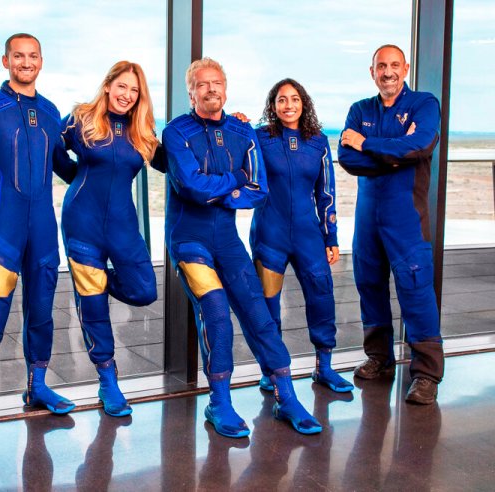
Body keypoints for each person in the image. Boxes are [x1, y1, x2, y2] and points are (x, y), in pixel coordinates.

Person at [163, 58, 321, 437]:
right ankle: (219, 402)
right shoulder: (176, 132)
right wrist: (234, 179)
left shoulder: (242, 131)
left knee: (259, 314)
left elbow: (258, 188)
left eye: (217, 82)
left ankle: (286, 397)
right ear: (191, 93)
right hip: (189, 241)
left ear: (226, 88)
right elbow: (191, 186)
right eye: (203, 84)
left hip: (227, 240)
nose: (211, 89)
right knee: (217, 313)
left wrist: (220, 190)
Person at [0, 33, 76, 439]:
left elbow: (65, 165)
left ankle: (37, 386)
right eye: (18, 56)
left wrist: (106, 163)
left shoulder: (51, 111)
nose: (26, 62)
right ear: (5, 60)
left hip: (42, 234)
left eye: (33, 56)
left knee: (41, 313)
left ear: (41, 60)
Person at [338, 44, 443, 404]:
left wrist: (367, 143)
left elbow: (420, 146)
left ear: (406, 68)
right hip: (368, 219)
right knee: (369, 284)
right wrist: (396, 152)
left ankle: (426, 374)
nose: (388, 72)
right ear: (372, 72)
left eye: (394, 65)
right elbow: (347, 159)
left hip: (407, 219)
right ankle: (379, 359)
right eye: (381, 66)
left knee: (415, 289)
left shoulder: (424, 104)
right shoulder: (360, 109)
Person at [60, 61, 164, 417]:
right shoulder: (81, 118)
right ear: (107, 86)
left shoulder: (142, 129)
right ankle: (108, 380)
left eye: (134, 90)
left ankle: (94, 284)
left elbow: (171, 161)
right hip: (82, 220)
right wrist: (78, 179)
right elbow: (55, 153)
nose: (127, 95)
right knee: (93, 305)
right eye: (122, 86)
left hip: (123, 225)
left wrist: (232, 126)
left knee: (144, 289)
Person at [250, 79, 354, 393]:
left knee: (322, 297)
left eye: (294, 99)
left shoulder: (318, 142)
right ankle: (272, 369)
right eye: (282, 99)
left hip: (309, 236)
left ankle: (324, 367)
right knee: (268, 304)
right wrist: (236, 121)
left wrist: (331, 236)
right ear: (273, 105)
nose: (289, 105)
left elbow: (327, 193)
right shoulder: (260, 137)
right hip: (270, 234)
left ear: (303, 103)